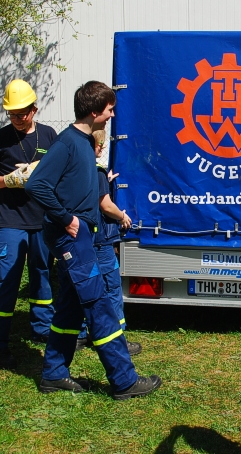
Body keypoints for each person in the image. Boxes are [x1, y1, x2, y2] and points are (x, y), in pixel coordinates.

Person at [25, 81, 161, 399]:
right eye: (110, 109)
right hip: (72, 238)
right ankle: (124, 381)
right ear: (94, 111)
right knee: (99, 306)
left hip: (83, 236)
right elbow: (36, 184)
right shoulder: (68, 143)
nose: (112, 115)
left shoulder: (85, 143)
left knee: (70, 309)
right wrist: (66, 218)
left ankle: (54, 374)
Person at [0, 79, 57, 370]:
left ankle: (42, 329)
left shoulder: (49, 135)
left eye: (22, 113)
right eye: (12, 114)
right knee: (8, 280)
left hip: (42, 219)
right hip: (11, 220)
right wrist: (8, 180)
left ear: (34, 109)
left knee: (42, 274)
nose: (17, 118)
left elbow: (60, 170)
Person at [75, 130, 141, 355]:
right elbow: (105, 206)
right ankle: (116, 338)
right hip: (101, 241)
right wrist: (122, 217)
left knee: (84, 286)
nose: (102, 148)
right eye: (100, 144)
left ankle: (80, 334)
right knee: (111, 287)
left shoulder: (74, 170)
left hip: (81, 238)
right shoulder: (97, 172)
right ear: (96, 147)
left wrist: (106, 182)